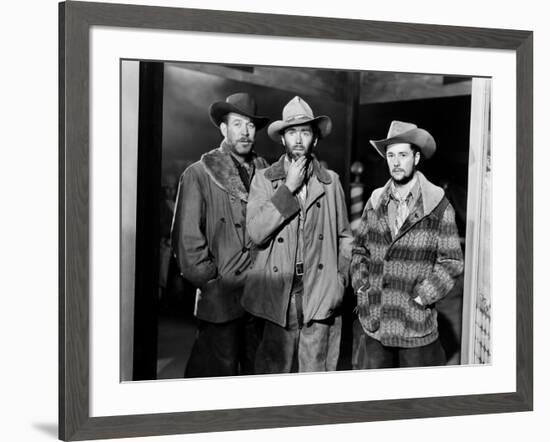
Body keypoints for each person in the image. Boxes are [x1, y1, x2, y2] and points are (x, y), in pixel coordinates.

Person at [242, 96, 353, 373]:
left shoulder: (331, 181)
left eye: (305, 132)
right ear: (283, 139)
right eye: (292, 132)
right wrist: (288, 188)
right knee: (273, 372)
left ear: (315, 139)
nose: (299, 139)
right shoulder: (265, 179)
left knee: (315, 372)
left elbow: (344, 237)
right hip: (279, 293)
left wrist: (339, 280)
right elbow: (255, 233)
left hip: (319, 290)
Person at [351, 120, 464, 368]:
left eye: (403, 154)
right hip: (376, 324)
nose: (396, 162)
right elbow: (360, 250)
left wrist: (423, 297)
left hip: (414, 327)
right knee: (377, 400)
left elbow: (452, 262)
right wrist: (362, 286)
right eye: (391, 155)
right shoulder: (375, 202)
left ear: (416, 157)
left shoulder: (437, 206)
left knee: (412, 401)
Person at [171, 92, 269, 377]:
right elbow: (187, 244)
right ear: (224, 129)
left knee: (257, 383)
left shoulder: (266, 173)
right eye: (238, 124)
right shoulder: (198, 174)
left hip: (260, 299)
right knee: (213, 384)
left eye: (250, 126)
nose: (245, 132)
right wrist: (214, 282)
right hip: (221, 301)